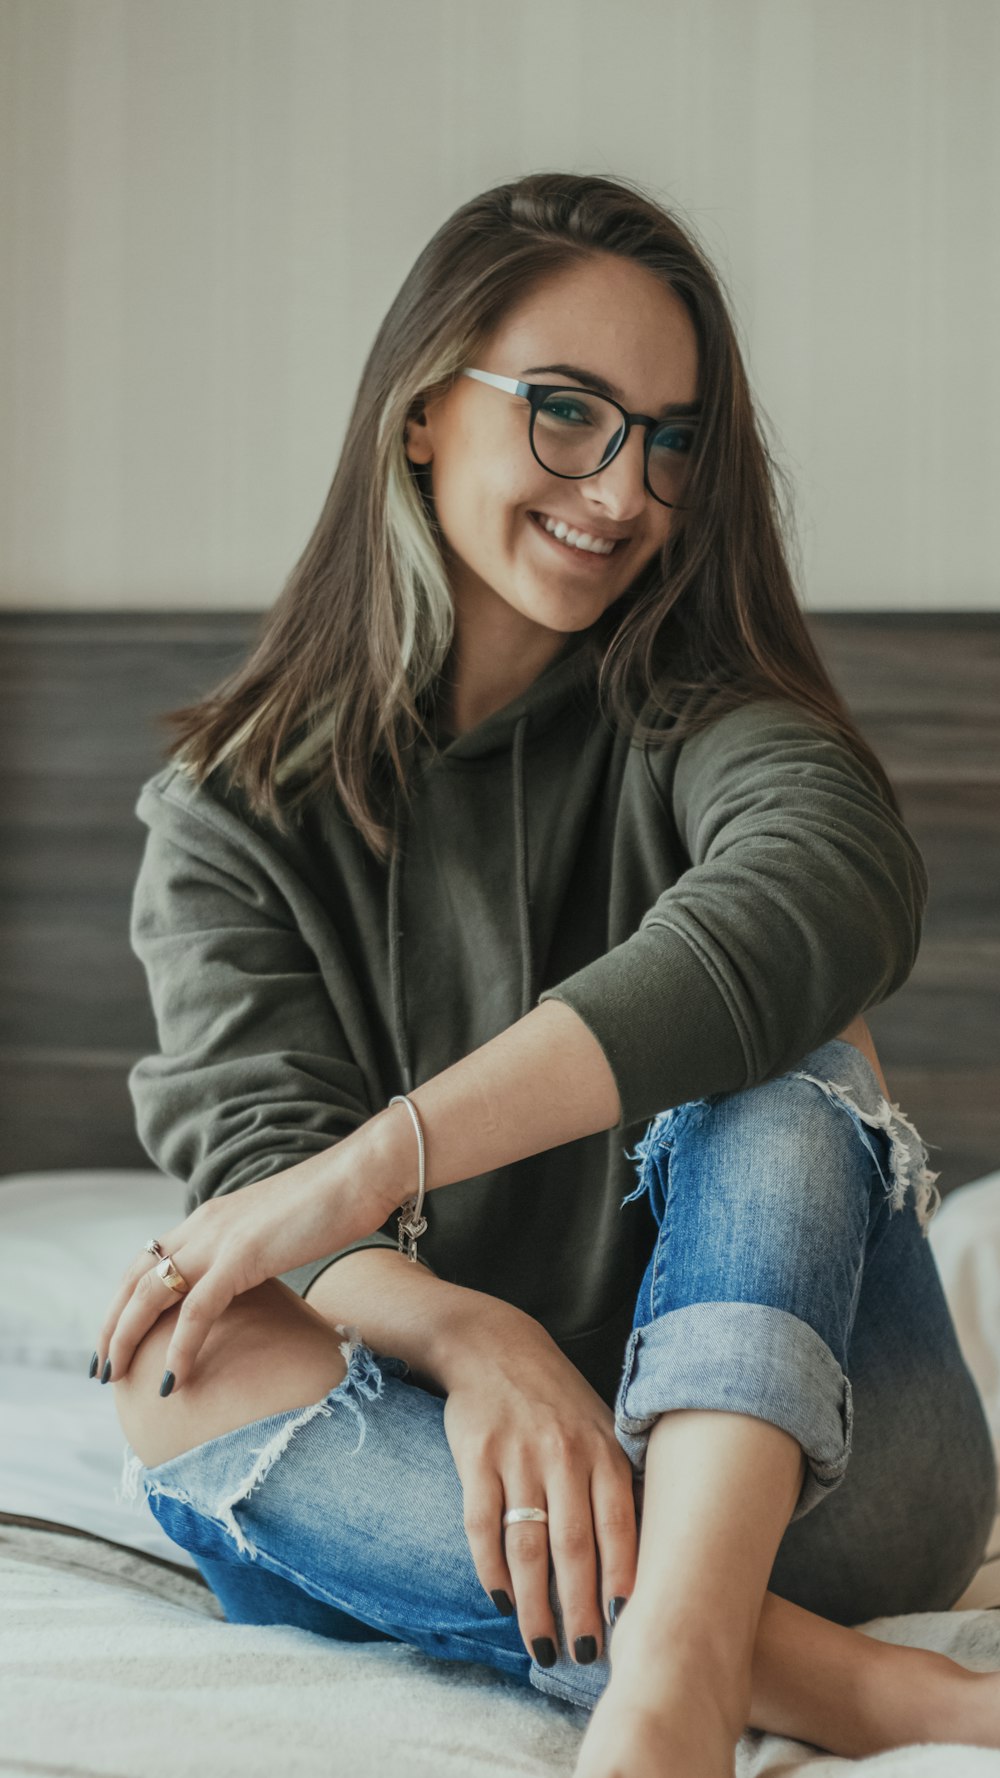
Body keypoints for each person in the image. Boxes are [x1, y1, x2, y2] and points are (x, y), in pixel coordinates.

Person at [98, 172, 997, 1778]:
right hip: (474, 1465)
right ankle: (855, 1692)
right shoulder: (231, 815)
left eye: (668, 437)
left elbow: (826, 878)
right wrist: (473, 1339)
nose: (623, 487)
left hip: (826, 1468)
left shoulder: (701, 706)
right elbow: (249, 1171)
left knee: (784, 1073)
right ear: (425, 407)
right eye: (567, 411)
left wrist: (385, 1159)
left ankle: (664, 1699)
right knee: (183, 1359)